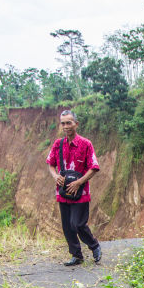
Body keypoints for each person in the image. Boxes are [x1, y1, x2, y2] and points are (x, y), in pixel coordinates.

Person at [46, 110, 102, 266]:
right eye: (63, 123)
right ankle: (76, 255)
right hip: (63, 191)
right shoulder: (58, 144)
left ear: (76, 124)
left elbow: (94, 167)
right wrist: (55, 176)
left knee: (77, 224)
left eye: (69, 122)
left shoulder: (86, 144)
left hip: (81, 192)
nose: (65, 126)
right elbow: (50, 163)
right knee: (66, 226)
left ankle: (94, 245)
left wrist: (79, 182)